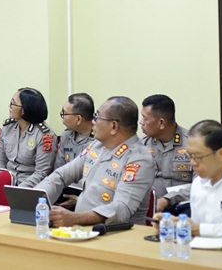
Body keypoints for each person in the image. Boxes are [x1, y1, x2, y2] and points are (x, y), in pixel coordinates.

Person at [35, 96, 154, 226]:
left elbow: (121, 210)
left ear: (113, 126)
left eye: (97, 117)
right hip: (80, 229)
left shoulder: (139, 159)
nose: (93, 122)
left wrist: (75, 218)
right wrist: (34, 200)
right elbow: (61, 176)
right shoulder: (97, 146)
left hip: (114, 233)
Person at [139, 94, 192, 211]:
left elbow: (202, 185)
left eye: (145, 118)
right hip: (151, 209)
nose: (141, 122)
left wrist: (168, 199)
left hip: (184, 208)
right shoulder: (142, 146)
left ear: (161, 123)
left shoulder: (192, 144)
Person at [0, 87, 56, 187]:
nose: (9, 106)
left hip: (30, 186)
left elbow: (41, 174)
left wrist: (17, 190)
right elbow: (0, 163)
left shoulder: (44, 135)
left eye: (13, 103)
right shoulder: (7, 128)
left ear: (23, 110)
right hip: (7, 182)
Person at [55, 93, 95, 168]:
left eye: (64, 113)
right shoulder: (66, 135)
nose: (62, 116)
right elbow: (58, 167)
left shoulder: (99, 140)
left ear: (78, 119)